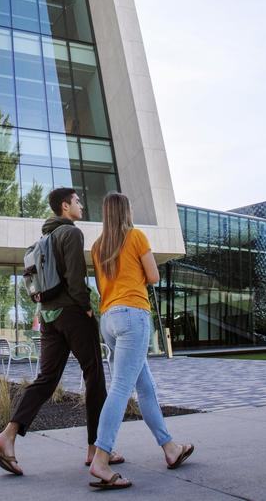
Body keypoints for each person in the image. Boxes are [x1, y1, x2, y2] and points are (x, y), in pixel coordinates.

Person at [0, 187, 121, 475]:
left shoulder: (43, 238)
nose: (81, 205)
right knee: (94, 376)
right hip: (73, 314)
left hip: (47, 316)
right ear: (64, 206)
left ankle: (8, 435)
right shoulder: (71, 233)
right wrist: (86, 307)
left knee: (46, 379)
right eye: (77, 201)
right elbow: (75, 277)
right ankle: (94, 449)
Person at [87, 192, 193, 490]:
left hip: (108, 319)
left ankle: (170, 448)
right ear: (125, 212)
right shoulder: (136, 236)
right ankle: (101, 457)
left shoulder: (97, 247)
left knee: (145, 387)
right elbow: (154, 276)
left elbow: (101, 286)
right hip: (133, 315)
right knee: (122, 388)